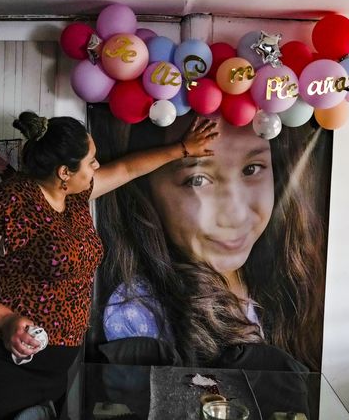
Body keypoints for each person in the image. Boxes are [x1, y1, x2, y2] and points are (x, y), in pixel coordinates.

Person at [0, 110, 218, 420]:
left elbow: (126, 169)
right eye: (91, 161)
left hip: (50, 369)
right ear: (64, 171)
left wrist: (184, 149)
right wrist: (5, 319)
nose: (97, 166)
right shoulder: (9, 202)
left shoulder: (74, 196)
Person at [88, 106, 330, 372]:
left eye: (251, 169)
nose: (235, 215)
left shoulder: (288, 284)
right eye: (197, 180)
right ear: (147, 192)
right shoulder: (139, 310)